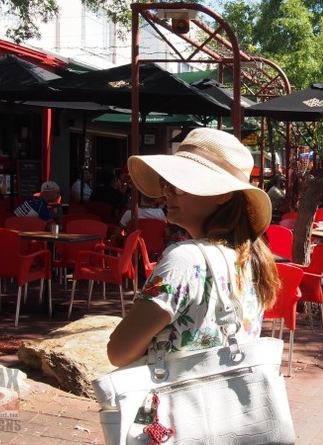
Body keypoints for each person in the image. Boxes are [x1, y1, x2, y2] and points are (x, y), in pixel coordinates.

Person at [107, 128, 280, 370]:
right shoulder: (251, 258)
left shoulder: (185, 260)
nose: (167, 192)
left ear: (223, 194)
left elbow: (119, 351)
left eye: (180, 184)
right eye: (167, 183)